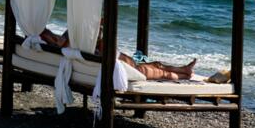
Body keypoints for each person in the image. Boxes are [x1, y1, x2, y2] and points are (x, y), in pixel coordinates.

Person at [38, 27, 197, 81]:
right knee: (160, 72)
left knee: (157, 65)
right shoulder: (71, 46)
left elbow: (47, 34)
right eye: (54, 38)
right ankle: (184, 74)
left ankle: (184, 69)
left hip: (122, 60)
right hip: (124, 65)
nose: (57, 37)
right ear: (53, 42)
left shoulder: (72, 44)